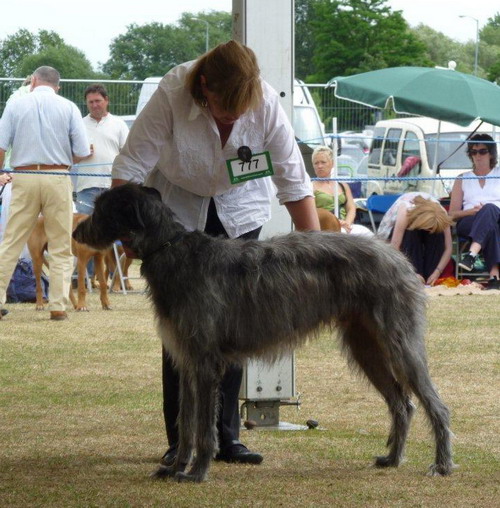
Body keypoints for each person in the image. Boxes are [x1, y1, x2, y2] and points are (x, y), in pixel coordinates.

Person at [111, 40, 319, 472]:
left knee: (236, 328)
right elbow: (130, 165)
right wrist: (125, 228)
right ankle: (182, 440)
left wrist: (319, 249)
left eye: (243, 110)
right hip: (177, 218)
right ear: (204, 85)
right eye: (227, 109)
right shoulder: (172, 90)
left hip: (240, 213)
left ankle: (227, 437)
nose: (236, 118)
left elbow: (293, 179)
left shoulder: (264, 100)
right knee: (184, 337)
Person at [0, 66, 90, 321]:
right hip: (57, 176)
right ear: (57, 86)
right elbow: (82, 151)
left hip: (24, 176)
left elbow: (0, 144)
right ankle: (58, 306)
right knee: (61, 244)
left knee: (11, 242)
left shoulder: (16, 105)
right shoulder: (69, 107)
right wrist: (62, 160)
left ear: (35, 81)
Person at [449, 133, 500, 290]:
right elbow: (452, 214)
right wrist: (470, 211)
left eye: (482, 151)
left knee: (490, 210)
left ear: (491, 153)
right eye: (473, 151)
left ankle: (471, 256)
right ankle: (494, 276)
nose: (478, 155)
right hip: (470, 221)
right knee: (490, 223)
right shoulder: (462, 178)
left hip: (498, 217)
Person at [378, 192, 453, 285]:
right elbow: (394, 248)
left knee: (438, 234)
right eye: (428, 228)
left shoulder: (441, 214)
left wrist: (437, 272)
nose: (429, 231)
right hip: (401, 233)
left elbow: (448, 248)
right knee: (411, 234)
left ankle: (430, 278)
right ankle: (413, 276)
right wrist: (411, 273)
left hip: (424, 222)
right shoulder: (406, 211)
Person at [76, 84, 129, 214]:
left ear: (106, 100)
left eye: (98, 101)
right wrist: (81, 154)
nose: (94, 105)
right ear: (86, 103)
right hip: (86, 188)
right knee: (86, 229)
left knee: (114, 229)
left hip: (113, 186)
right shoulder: (79, 125)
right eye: (91, 102)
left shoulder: (119, 124)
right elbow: (67, 158)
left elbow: (128, 155)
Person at [312, 146, 373, 236]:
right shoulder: (310, 187)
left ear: (332, 164)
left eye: (323, 162)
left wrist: (347, 223)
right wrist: (336, 223)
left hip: (345, 227)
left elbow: (351, 208)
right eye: (316, 163)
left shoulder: (343, 185)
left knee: (368, 234)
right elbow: (312, 212)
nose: (319, 166)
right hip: (325, 228)